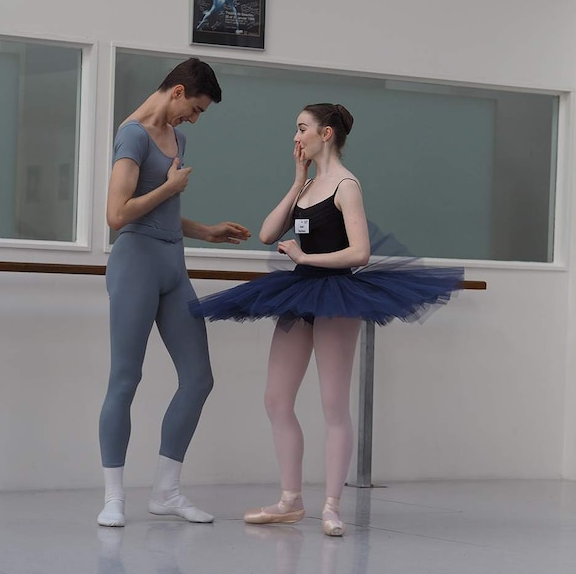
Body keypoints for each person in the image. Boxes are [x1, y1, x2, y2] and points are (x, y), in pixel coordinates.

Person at [190, 103, 463, 536]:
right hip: (300, 292)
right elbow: (265, 234)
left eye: (302, 129)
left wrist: (304, 255)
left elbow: (360, 252)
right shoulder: (308, 186)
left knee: (334, 405)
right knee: (276, 399)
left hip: (337, 294)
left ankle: (333, 505)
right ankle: (290, 500)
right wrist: (297, 182)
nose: (295, 138)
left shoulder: (346, 186)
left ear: (327, 134)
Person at [97, 57, 251, 528]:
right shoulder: (133, 135)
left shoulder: (176, 137)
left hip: (172, 264)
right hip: (135, 264)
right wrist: (170, 189)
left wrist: (205, 230)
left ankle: (166, 491)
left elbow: (162, 206)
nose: (195, 120)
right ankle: (114, 498)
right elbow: (117, 216)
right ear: (179, 91)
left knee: (198, 378)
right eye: (197, 109)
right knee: (126, 378)